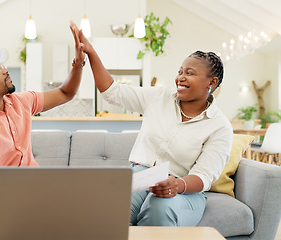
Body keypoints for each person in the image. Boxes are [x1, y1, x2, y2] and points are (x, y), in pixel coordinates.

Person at [73, 25, 233, 226]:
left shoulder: (220, 127)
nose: (180, 77)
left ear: (212, 82)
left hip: (184, 189)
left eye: (189, 73)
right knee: (107, 209)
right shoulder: (159, 97)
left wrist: (177, 184)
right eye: (180, 71)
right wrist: (91, 52)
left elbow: (203, 176)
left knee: (160, 206)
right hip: (140, 176)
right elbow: (112, 92)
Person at [0, 22, 86, 224]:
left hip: (35, 185)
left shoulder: (20, 102)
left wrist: (78, 62)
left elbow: (65, 93)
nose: (5, 70)